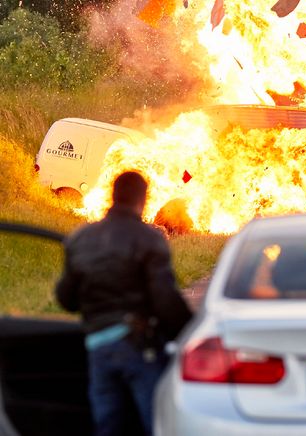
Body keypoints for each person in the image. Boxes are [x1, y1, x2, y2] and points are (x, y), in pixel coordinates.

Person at [55, 171, 193, 436]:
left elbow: (67, 298)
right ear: (143, 199)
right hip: (139, 345)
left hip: (98, 346)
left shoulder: (81, 238)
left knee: (107, 425)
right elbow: (165, 299)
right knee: (157, 422)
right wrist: (189, 333)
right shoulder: (149, 239)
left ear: (112, 195)